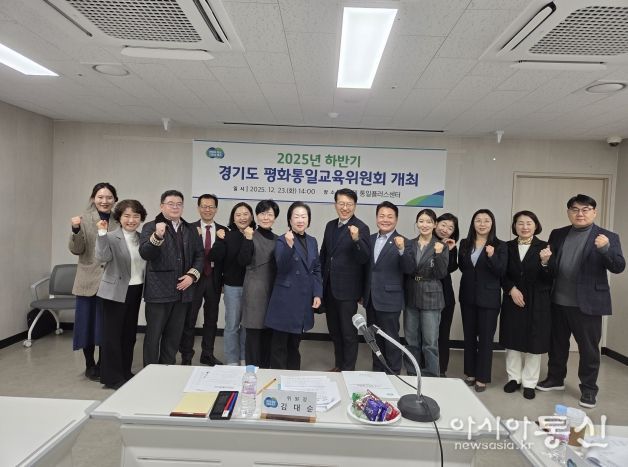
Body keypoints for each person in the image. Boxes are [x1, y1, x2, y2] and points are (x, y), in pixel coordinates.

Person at [537, 194, 625, 408]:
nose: (580, 213)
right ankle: (555, 379)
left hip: (588, 303)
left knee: (589, 349)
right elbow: (552, 267)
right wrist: (545, 263)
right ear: (569, 212)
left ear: (594, 212)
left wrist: (605, 249)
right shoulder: (557, 234)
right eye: (575, 209)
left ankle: (589, 389)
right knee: (557, 344)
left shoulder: (607, 236)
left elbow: (618, 266)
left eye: (585, 209)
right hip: (558, 300)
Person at [139, 190, 204, 366]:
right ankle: (150, 372)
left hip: (182, 292)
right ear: (162, 206)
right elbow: (145, 253)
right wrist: (157, 236)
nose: (175, 207)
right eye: (171, 204)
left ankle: (167, 369)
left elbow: (200, 255)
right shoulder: (151, 227)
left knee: (173, 337)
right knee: (153, 336)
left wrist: (192, 275)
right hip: (158, 292)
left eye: (179, 204)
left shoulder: (190, 229)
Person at [499, 211, 552, 400]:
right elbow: (501, 273)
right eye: (520, 223)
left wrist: (545, 262)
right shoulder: (506, 246)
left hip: (537, 300)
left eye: (529, 223)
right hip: (513, 298)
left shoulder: (545, 247)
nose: (524, 227)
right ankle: (514, 378)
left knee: (534, 342)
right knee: (512, 340)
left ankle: (530, 382)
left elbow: (551, 278)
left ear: (536, 225)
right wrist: (511, 289)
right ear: (514, 226)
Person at [69, 182, 119, 381]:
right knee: (87, 324)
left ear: (114, 199)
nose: (104, 201)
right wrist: (75, 230)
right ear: (93, 198)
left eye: (109, 197)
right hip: (88, 280)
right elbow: (77, 250)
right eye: (100, 197)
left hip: (111, 281)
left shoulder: (119, 220)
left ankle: (103, 363)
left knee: (107, 325)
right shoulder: (83, 219)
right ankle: (90, 364)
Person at [95, 199, 147, 390]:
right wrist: (101, 233)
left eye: (135, 216)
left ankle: (125, 371)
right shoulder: (109, 236)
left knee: (129, 334)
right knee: (112, 336)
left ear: (141, 218)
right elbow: (102, 257)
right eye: (127, 216)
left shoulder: (142, 238)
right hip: (114, 292)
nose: (131, 220)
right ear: (119, 217)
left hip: (136, 289)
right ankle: (111, 377)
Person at [265, 202, 323, 370]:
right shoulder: (282, 240)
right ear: (289, 220)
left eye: (303, 216)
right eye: (296, 216)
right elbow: (281, 267)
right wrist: (289, 246)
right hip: (285, 300)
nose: (300, 220)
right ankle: (277, 377)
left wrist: (317, 293)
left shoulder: (312, 241)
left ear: (308, 220)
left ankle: (293, 377)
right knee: (279, 346)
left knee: (294, 345)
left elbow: (316, 269)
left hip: (303, 299)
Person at [320, 188, 370, 372]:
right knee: (334, 331)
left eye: (349, 204)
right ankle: (339, 365)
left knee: (348, 333)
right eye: (341, 203)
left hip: (348, 291)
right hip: (329, 288)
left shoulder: (362, 227)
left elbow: (364, 258)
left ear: (355, 206)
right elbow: (324, 255)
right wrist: (319, 286)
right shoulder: (330, 225)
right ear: (335, 205)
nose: (345, 208)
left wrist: (356, 239)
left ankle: (348, 370)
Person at [458, 209, 507, 392]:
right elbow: (463, 267)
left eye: (486, 220)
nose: (482, 224)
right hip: (468, 296)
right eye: (478, 220)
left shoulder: (500, 245)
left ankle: (482, 377)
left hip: (489, 298)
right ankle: (470, 373)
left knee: (486, 339)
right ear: (473, 223)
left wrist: (492, 256)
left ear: (492, 223)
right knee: (469, 336)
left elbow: (501, 271)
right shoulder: (465, 243)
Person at [363, 201, 413, 375]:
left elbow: (409, 269)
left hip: (390, 298)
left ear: (396, 219)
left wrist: (401, 250)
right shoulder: (369, 239)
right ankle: (378, 371)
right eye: (381, 216)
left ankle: (393, 373)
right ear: (376, 218)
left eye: (390, 216)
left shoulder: (404, 242)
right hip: (371, 298)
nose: (385, 219)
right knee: (373, 338)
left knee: (391, 339)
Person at [179, 194, 226, 366]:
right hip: (195, 279)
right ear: (198, 208)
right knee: (189, 319)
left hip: (214, 278)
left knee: (211, 319)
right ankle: (186, 356)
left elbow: (225, 257)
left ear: (216, 209)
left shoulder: (224, 231)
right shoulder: (189, 228)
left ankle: (207, 354)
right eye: (204, 206)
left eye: (211, 206)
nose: (208, 209)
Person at [402, 209, 449, 377]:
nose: (425, 225)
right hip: (411, 294)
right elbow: (406, 269)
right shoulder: (409, 243)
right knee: (411, 340)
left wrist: (438, 254)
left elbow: (441, 273)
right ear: (417, 223)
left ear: (435, 224)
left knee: (430, 342)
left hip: (432, 296)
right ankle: (412, 372)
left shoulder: (441, 245)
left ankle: (432, 375)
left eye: (429, 221)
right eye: (421, 221)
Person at [209, 202, 256, 365]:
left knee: (247, 325)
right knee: (232, 325)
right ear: (233, 218)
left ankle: (244, 358)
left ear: (251, 216)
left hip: (253, 288)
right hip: (233, 287)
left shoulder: (257, 235)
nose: (242, 217)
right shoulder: (227, 235)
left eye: (245, 214)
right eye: (238, 215)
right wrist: (219, 239)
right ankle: (232, 360)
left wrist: (249, 237)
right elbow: (215, 257)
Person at [240, 200, 280, 368]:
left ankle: (265, 371)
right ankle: (251, 372)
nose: (266, 217)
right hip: (255, 291)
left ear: (275, 217)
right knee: (254, 335)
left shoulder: (279, 239)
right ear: (256, 216)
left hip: (273, 291)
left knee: (269, 333)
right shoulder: (250, 235)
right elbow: (243, 260)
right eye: (262, 214)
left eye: (270, 214)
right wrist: (248, 239)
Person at [434, 213, 460, 377]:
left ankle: (441, 369)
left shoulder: (451, 246)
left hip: (445, 296)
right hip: (424, 295)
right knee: (425, 334)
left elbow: (449, 268)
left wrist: (449, 250)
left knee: (443, 334)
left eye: (450, 228)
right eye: (443, 225)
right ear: (435, 224)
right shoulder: (425, 241)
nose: (445, 230)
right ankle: (423, 366)